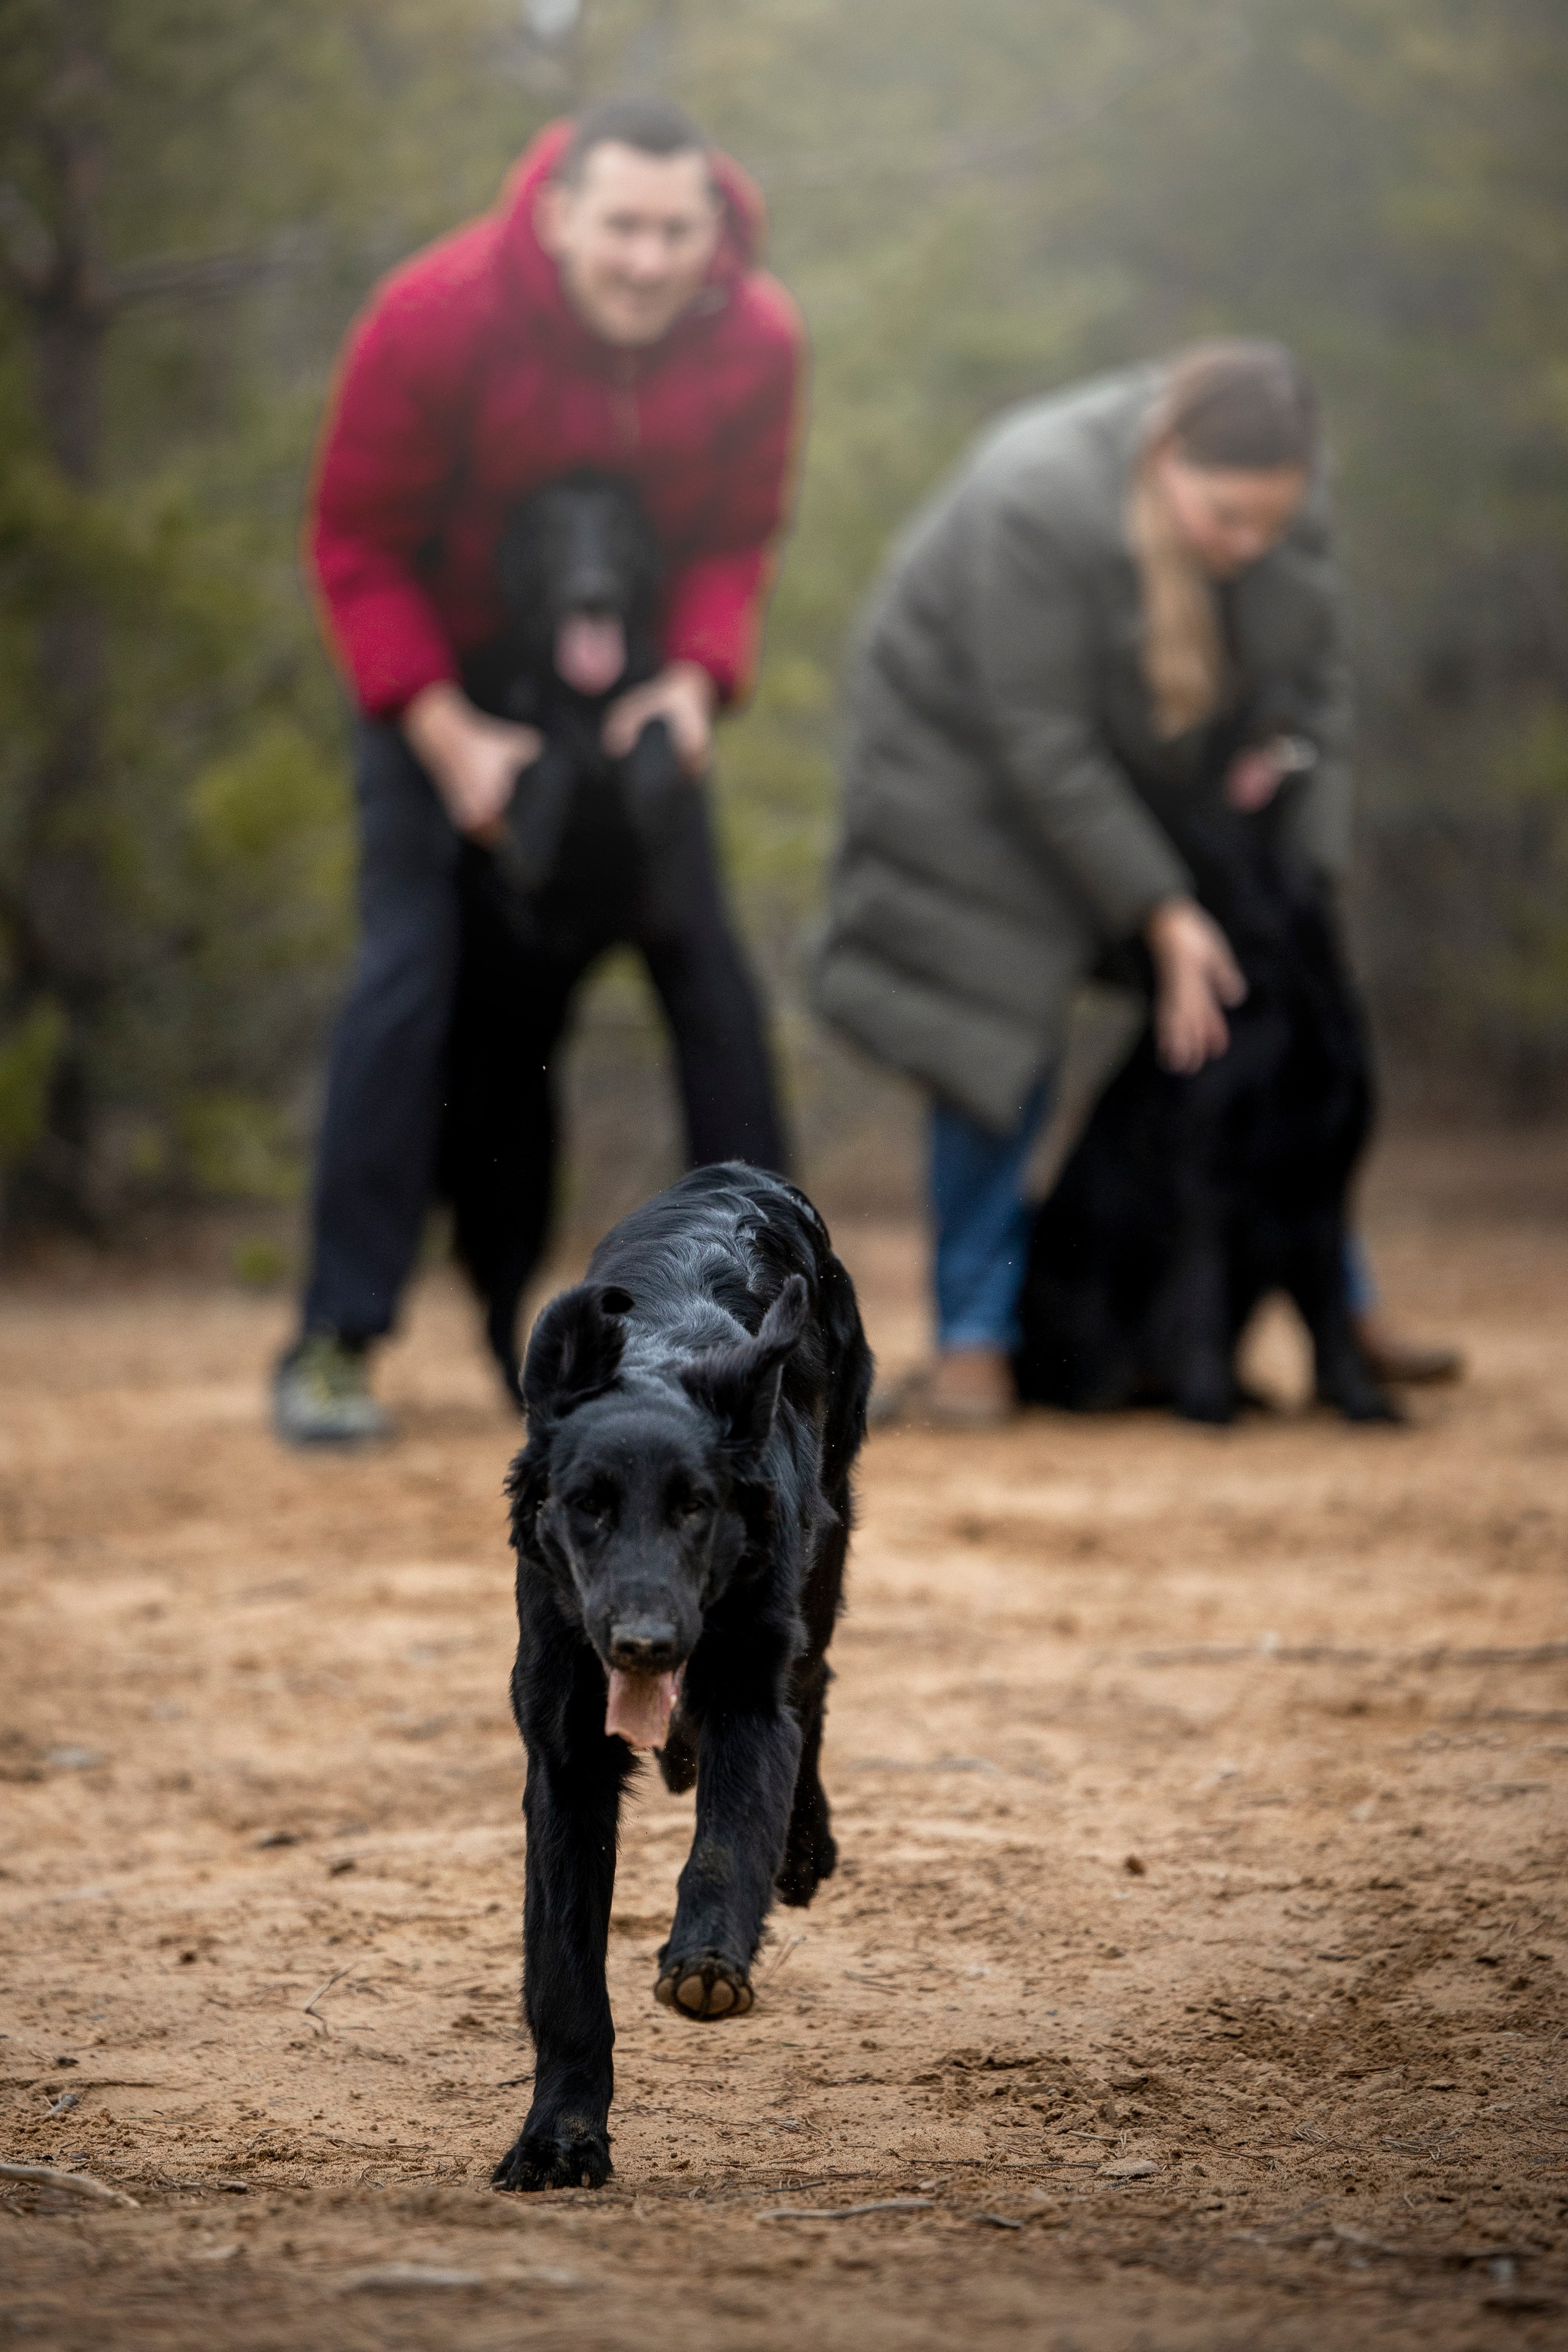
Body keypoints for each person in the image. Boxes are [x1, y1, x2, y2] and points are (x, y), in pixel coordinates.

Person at [274, 97, 801, 1445]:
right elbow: (355, 541)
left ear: (712, 231)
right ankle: (336, 1338)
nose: (643, 258)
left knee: (714, 987)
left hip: (635, 700)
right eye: (618, 225)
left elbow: (737, 539)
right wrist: (445, 732)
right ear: (557, 214)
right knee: (412, 975)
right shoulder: (434, 317)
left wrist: (694, 678)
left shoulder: (754, 340)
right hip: (443, 695)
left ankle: (785, 1332)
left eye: (673, 231)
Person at [815, 340, 1461, 1425]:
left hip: (1141, 761)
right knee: (993, 1015)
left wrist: (1303, 886)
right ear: (1165, 459)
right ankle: (977, 1336)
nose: (1252, 543)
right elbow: (1038, 739)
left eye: (1273, 520)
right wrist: (1162, 913)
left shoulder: (1278, 497)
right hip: (963, 774)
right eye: (1226, 519)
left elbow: (1323, 698)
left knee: (1273, 1015)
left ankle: (1337, 1299)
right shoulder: (1035, 493)